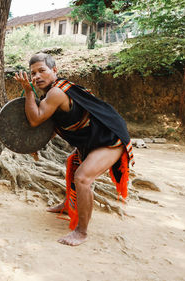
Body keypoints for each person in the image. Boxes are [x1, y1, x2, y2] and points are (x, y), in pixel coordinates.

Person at [14, 53, 134, 246]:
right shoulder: (51, 93)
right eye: (32, 73)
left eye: (42, 71)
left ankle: (81, 232)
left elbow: (35, 119)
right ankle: (69, 205)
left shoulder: (56, 93)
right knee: (72, 163)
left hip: (109, 138)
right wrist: (34, 145)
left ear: (54, 71)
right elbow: (52, 127)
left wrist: (28, 91)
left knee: (82, 178)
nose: (36, 76)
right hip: (92, 139)